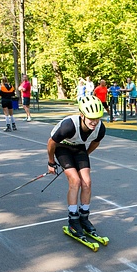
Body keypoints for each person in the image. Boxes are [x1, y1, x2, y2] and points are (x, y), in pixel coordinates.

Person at [47, 95, 106, 240]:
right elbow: (51, 143)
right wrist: (50, 162)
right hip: (62, 147)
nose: (94, 122)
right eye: (91, 118)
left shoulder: (100, 128)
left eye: (97, 118)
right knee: (75, 181)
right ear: (82, 115)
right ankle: (73, 219)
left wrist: (84, 155)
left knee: (87, 182)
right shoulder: (69, 125)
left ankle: (84, 218)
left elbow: (95, 143)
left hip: (79, 148)